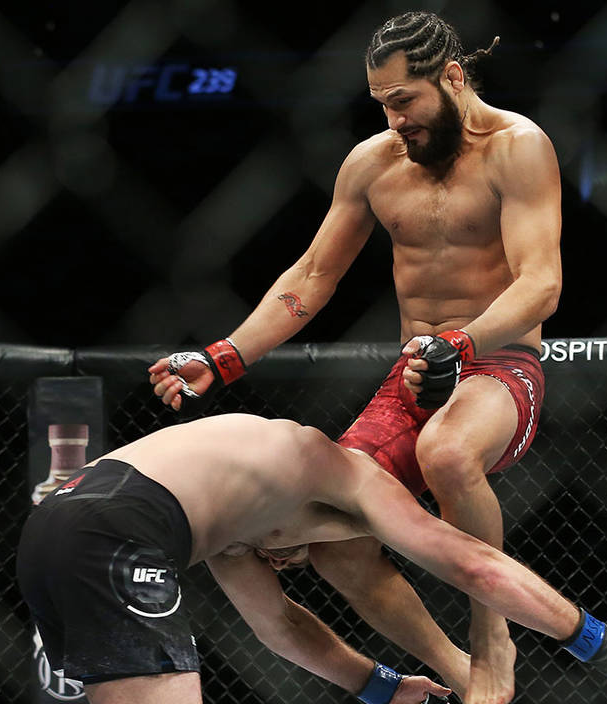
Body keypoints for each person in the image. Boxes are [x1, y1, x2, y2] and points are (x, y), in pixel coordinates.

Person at [148, 11, 561, 704]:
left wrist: (462, 342)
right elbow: (311, 277)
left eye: (405, 100)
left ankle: (493, 640)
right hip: (415, 375)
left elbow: (541, 282)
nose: (394, 119)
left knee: (449, 453)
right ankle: (463, 680)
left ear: (452, 78)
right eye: (382, 105)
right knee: (336, 540)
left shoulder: (519, 147)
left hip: (499, 368)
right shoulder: (373, 164)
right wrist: (223, 358)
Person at [17, 414, 607, 703]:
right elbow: (476, 565)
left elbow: (281, 627)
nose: (285, 563)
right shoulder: (332, 466)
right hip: (114, 533)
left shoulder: (231, 523)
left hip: (53, 528)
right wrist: (602, 641)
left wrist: (384, 687)